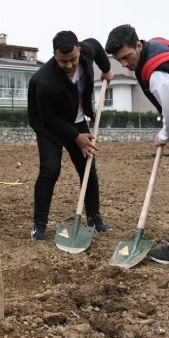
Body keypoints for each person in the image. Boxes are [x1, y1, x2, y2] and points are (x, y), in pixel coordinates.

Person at [104, 25, 169, 265]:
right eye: (119, 60)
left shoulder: (157, 73)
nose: (125, 64)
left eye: (127, 57)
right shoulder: (159, 43)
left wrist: (164, 135)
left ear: (138, 45)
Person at [27, 31, 113, 240]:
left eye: (73, 59)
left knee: (88, 168)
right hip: (49, 127)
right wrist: (76, 137)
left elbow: (98, 46)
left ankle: (94, 218)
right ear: (54, 55)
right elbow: (49, 118)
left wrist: (107, 69)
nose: (69, 65)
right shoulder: (44, 81)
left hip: (77, 119)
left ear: (79, 50)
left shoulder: (87, 51)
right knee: (50, 171)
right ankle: (39, 225)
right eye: (63, 61)